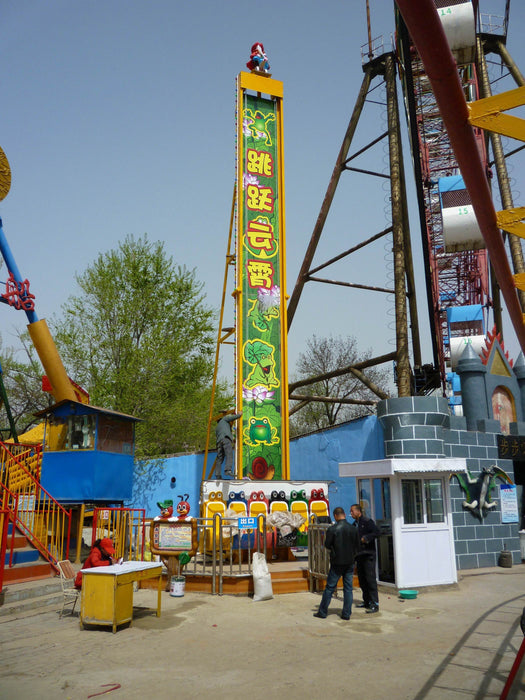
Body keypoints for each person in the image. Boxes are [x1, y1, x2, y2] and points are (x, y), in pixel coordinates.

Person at [313, 507, 360, 620]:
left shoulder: (333, 529)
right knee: (348, 588)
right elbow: (357, 546)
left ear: (335, 516)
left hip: (337, 562)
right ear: (344, 514)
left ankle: (323, 612)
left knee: (329, 587)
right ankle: (346, 613)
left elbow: (327, 545)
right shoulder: (353, 529)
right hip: (349, 562)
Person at [350, 503, 380, 613]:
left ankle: (374, 603)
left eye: (353, 511)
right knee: (362, 580)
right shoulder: (354, 525)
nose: (351, 513)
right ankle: (366, 601)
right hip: (359, 555)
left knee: (370, 579)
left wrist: (366, 538)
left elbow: (377, 532)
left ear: (358, 511)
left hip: (368, 555)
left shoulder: (367, 522)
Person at [215, 410, 242, 478]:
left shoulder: (217, 427)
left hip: (219, 442)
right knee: (229, 454)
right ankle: (228, 470)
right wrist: (239, 415)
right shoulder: (224, 419)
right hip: (225, 439)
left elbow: (225, 432)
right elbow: (231, 418)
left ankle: (217, 474)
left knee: (219, 458)